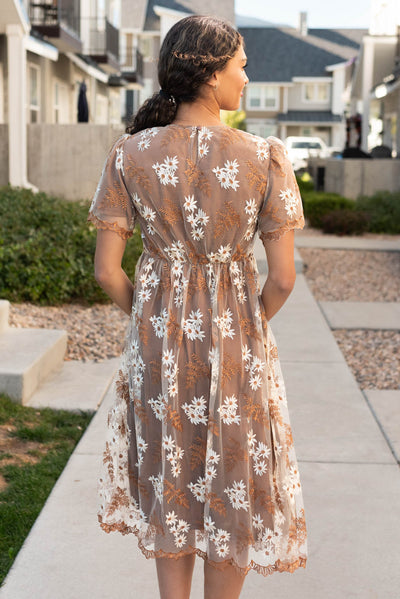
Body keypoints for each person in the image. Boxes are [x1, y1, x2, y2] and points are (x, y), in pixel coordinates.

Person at [87, 14, 307, 599]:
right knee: (231, 484)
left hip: (159, 348)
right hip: (236, 345)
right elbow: (282, 279)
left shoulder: (129, 154)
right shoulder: (264, 156)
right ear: (210, 75)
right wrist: (248, 324)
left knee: (173, 483)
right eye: (240, 65)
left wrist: (151, 319)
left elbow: (106, 271)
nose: (247, 76)